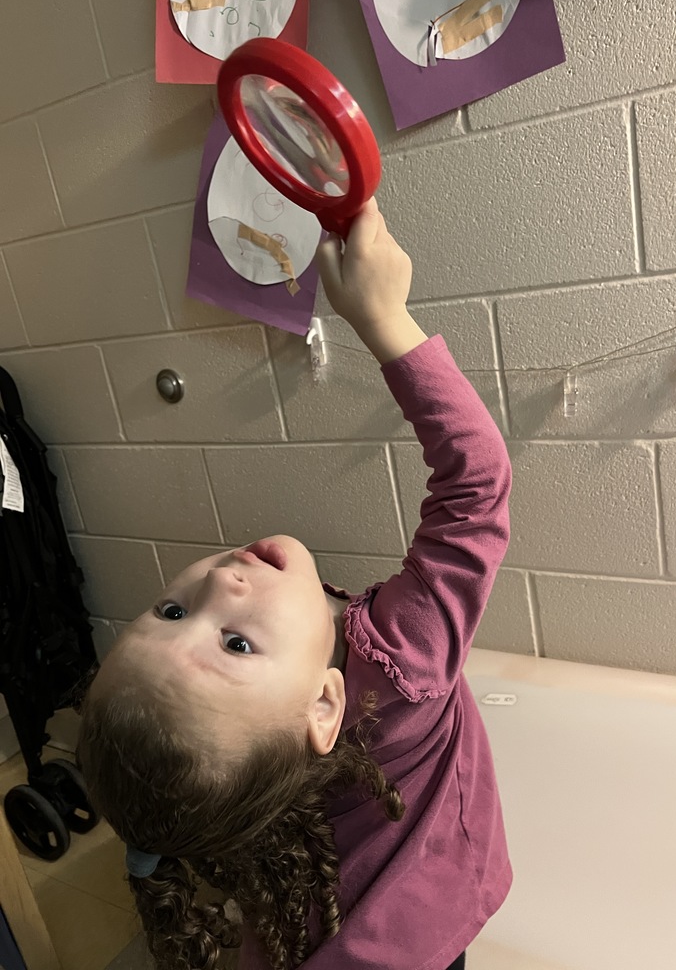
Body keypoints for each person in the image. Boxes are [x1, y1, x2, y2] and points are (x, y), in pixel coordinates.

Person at [76, 198, 513, 970]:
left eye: (171, 608)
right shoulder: (403, 664)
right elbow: (475, 484)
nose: (221, 580)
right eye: (234, 641)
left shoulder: (244, 776)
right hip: (422, 930)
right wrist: (383, 319)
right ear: (323, 705)